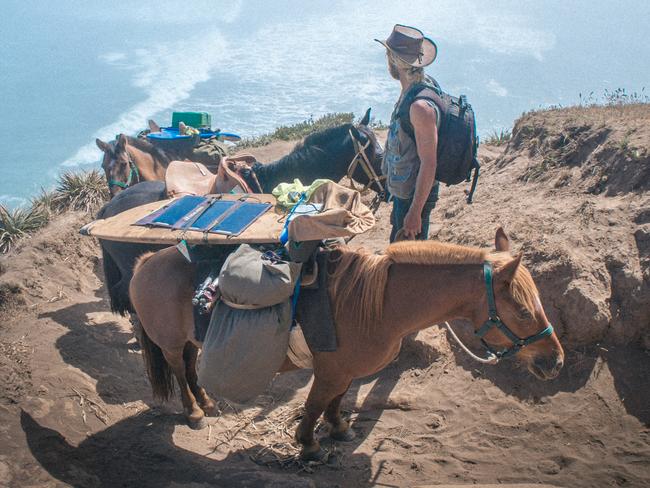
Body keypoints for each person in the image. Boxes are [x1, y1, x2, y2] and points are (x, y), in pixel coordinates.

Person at [376, 24, 440, 242]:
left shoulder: (419, 107)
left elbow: (429, 163)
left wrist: (414, 213)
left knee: (407, 270)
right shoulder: (415, 89)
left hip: (414, 198)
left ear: (394, 60)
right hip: (405, 194)